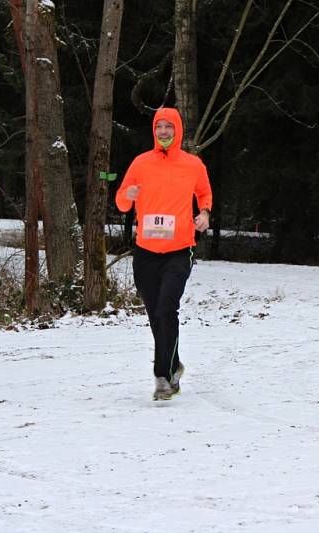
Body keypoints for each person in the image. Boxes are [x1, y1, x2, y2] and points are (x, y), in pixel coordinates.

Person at [115, 107, 213, 401]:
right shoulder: (141, 163)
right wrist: (127, 196)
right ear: (154, 131)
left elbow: (204, 194)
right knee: (155, 314)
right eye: (159, 127)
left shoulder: (193, 164)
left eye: (169, 127)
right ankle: (174, 366)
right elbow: (121, 202)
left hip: (180, 251)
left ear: (178, 130)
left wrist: (204, 214)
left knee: (166, 307)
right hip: (146, 252)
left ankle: (161, 375)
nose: (164, 132)